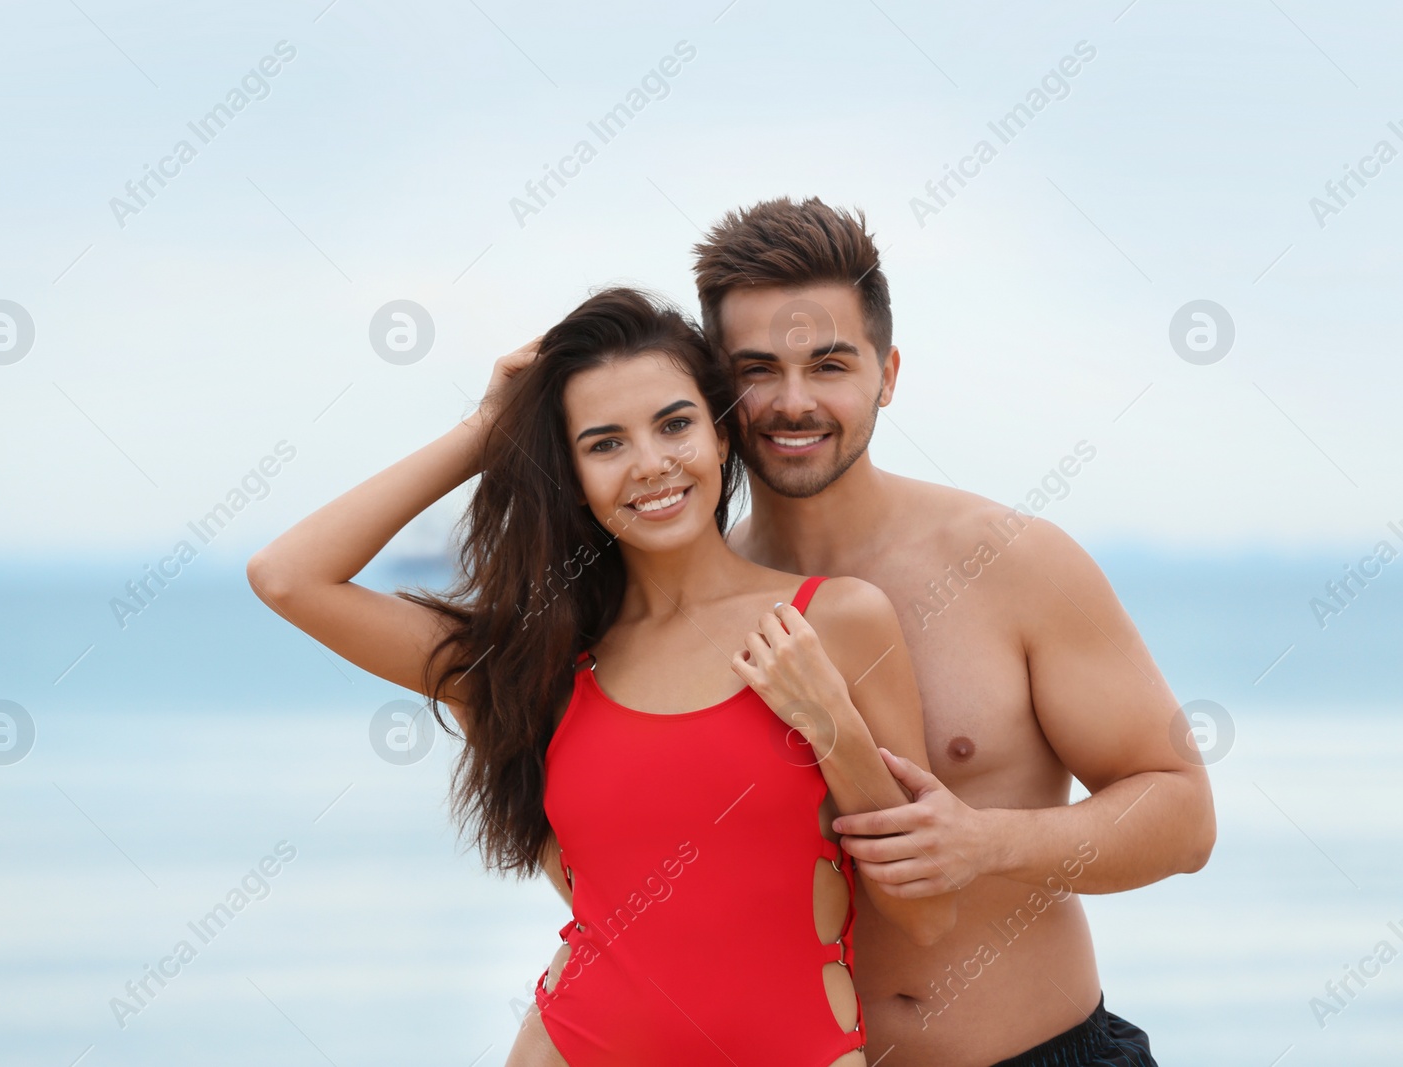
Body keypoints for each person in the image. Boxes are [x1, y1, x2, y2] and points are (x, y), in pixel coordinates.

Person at [245, 287, 956, 1067]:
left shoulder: (836, 623)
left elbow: (924, 916)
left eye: (675, 424)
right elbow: (288, 577)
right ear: (573, 474)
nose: (651, 464)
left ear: (722, 437)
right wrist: (488, 431)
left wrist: (832, 726)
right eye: (605, 443)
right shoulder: (541, 666)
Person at [686, 196, 1217, 1067]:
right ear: (714, 385)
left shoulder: (1012, 562)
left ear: (887, 373)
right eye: (756, 369)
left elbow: (1184, 815)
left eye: (829, 365)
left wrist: (986, 842)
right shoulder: (692, 608)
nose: (792, 402)